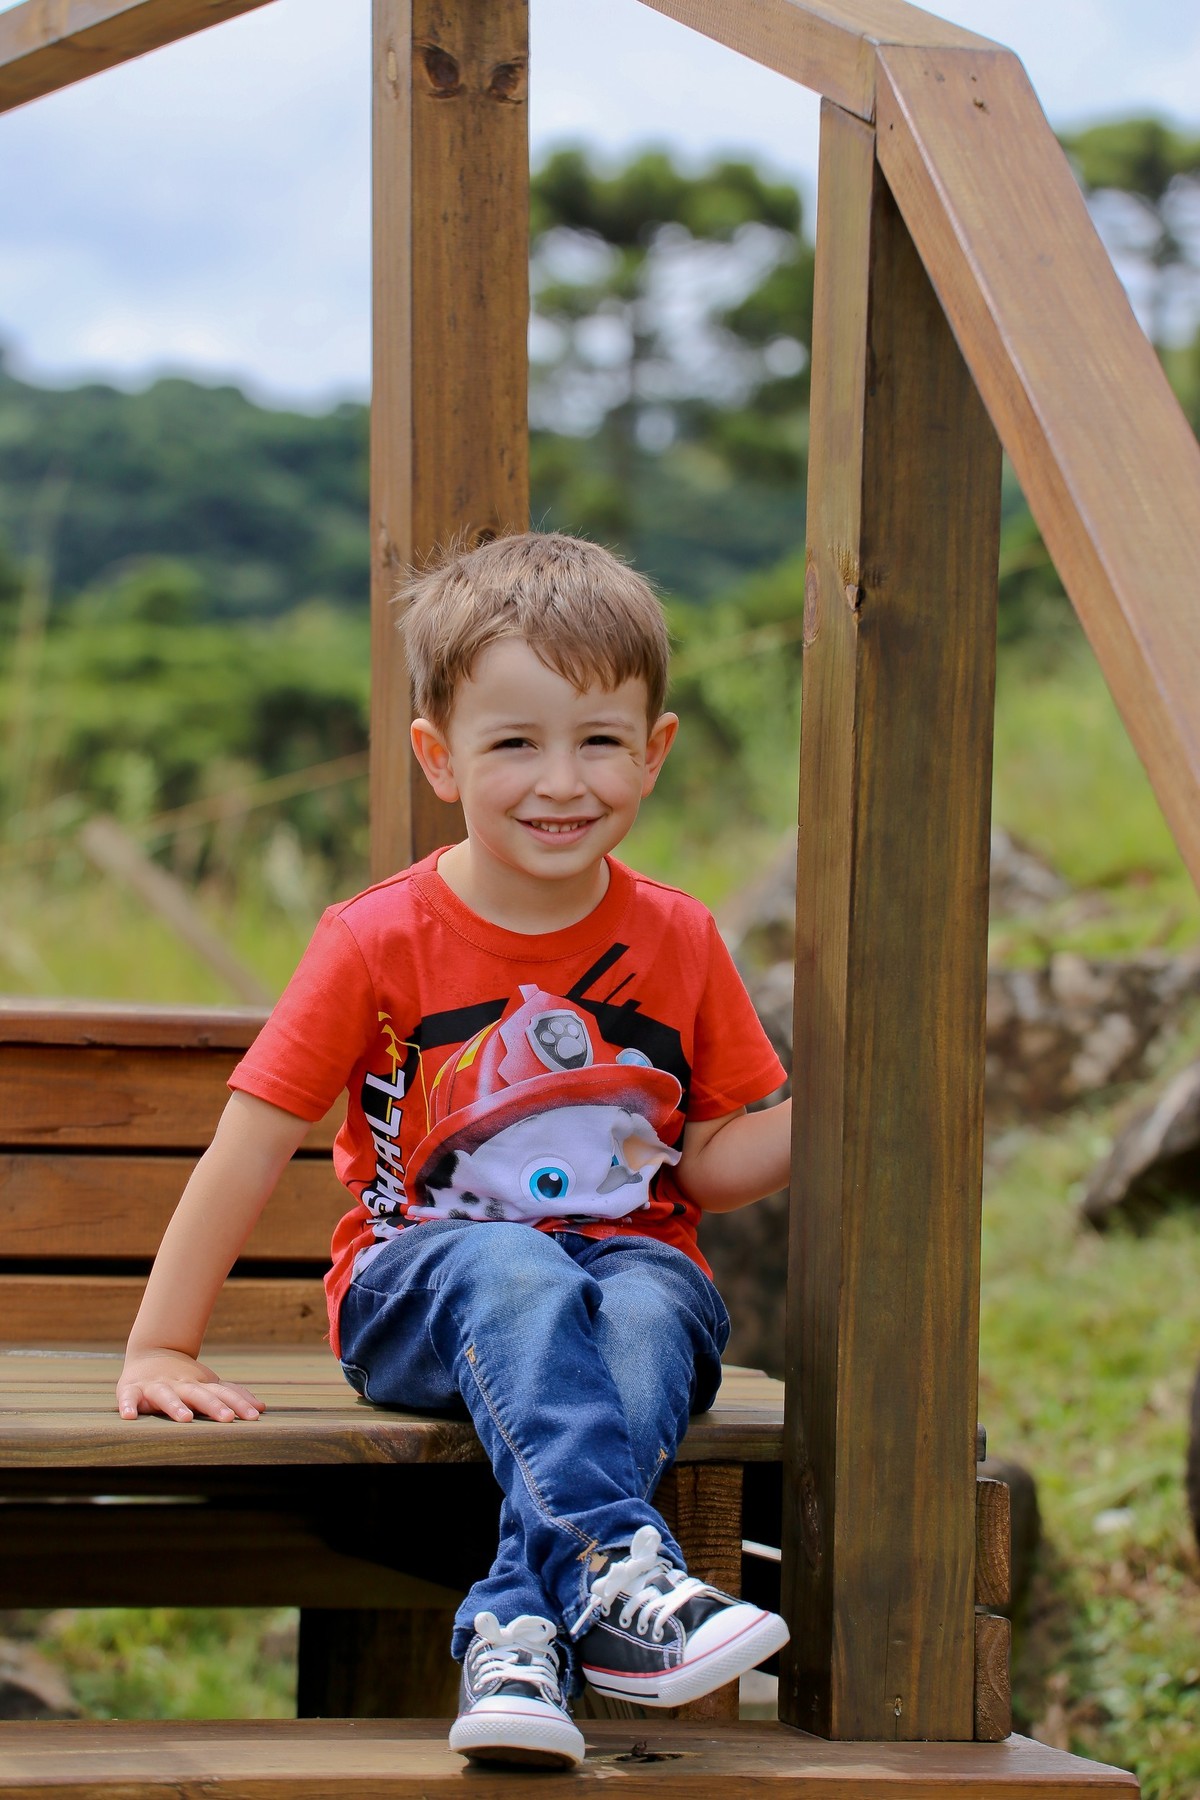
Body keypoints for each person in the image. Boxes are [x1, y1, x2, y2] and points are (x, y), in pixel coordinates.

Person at [116, 531, 793, 1771]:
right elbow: (252, 1142)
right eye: (515, 743)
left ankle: (517, 1633)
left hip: (624, 1273)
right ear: (440, 757)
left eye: (600, 741)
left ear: (656, 749)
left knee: (652, 1312)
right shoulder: (376, 938)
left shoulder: (682, 940)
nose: (562, 780)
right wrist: (161, 1342)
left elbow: (706, 1167)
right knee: (518, 1267)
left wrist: (830, 1111)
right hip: (416, 1287)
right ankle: (616, 1566)